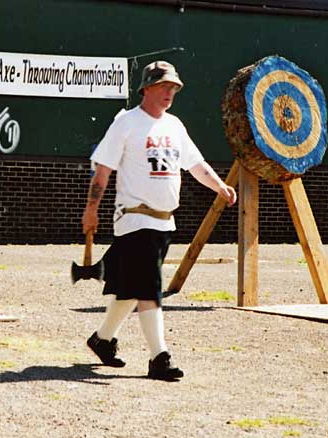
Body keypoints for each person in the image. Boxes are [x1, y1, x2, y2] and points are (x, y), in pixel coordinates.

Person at [82, 60, 237, 380]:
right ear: (147, 88)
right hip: (134, 219)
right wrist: (91, 208)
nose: (171, 92)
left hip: (164, 222)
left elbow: (195, 164)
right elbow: (103, 170)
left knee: (130, 287)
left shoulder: (175, 126)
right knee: (149, 286)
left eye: (174, 88)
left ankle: (102, 340)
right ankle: (159, 357)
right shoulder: (126, 123)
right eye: (165, 86)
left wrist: (219, 186)